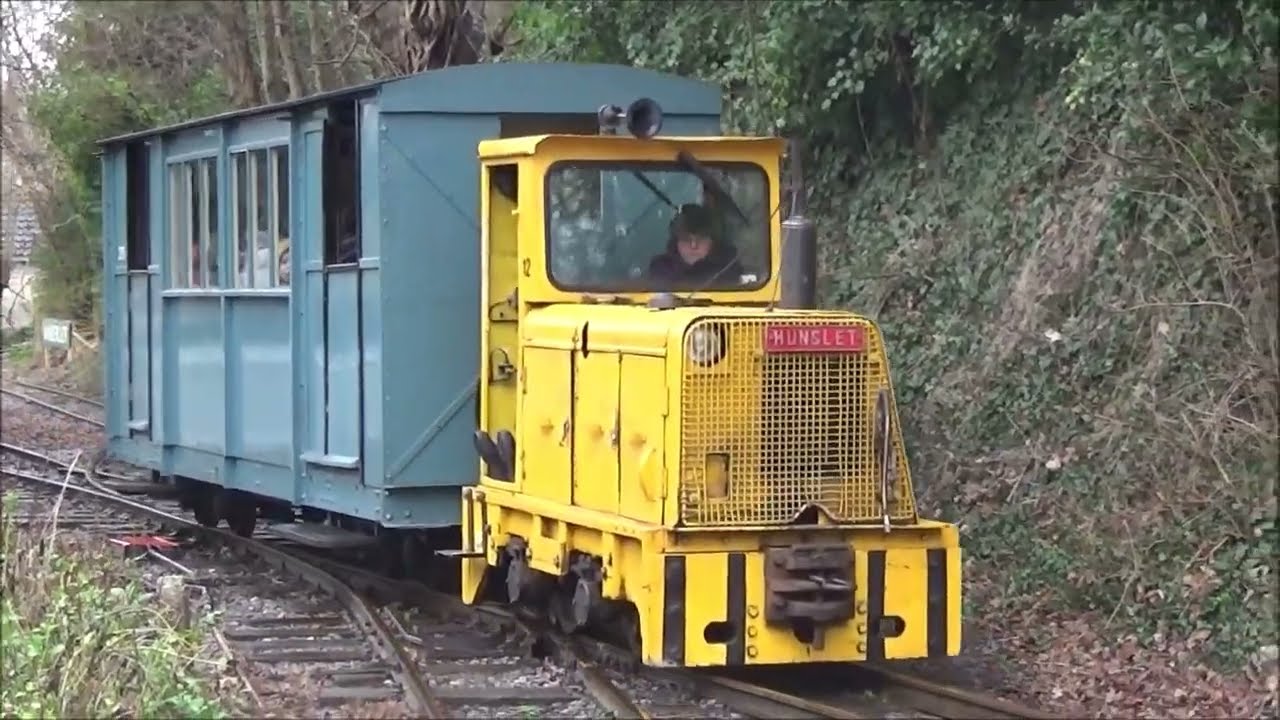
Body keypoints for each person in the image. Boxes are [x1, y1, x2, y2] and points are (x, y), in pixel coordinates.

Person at [648, 203, 742, 286]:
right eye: (686, 239)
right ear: (676, 241)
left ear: (713, 241)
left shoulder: (728, 268)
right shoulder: (661, 269)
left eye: (701, 238)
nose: (694, 246)